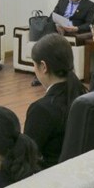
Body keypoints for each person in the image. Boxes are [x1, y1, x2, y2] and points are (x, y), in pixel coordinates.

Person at [24, 34, 86, 168]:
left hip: (50, 176)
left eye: (34, 65)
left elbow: (25, 158)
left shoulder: (41, 110)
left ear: (43, 66)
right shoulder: (84, 95)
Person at [31, 0, 94, 86]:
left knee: (48, 38)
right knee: (49, 27)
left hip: (73, 31)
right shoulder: (62, 2)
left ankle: (46, 70)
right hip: (57, 29)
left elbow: (89, 24)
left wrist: (76, 28)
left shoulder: (89, 5)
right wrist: (57, 25)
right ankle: (42, 71)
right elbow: (51, 17)